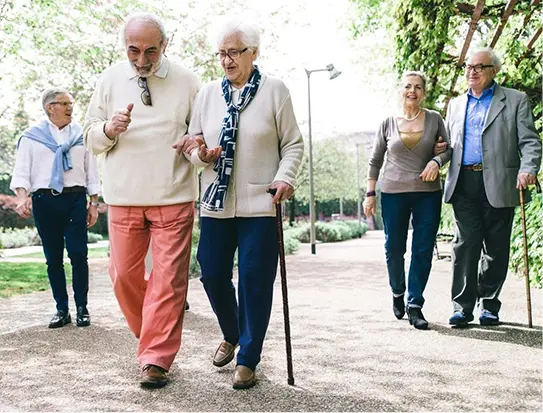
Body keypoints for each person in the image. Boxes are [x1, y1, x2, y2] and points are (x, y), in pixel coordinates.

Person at [175, 17, 303, 389]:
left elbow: (292, 144)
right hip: (217, 201)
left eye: (234, 52)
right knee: (212, 271)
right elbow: (195, 147)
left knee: (254, 280)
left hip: (260, 203)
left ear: (254, 53)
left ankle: (248, 357)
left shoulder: (275, 91)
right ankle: (232, 333)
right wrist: (201, 153)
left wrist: (285, 177)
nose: (227, 60)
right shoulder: (208, 95)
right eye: (221, 54)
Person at [83, 13, 200, 388]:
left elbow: (198, 136)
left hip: (173, 194)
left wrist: (197, 148)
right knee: (122, 276)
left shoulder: (187, 81)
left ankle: (155, 357)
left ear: (164, 46)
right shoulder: (109, 79)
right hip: (123, 195)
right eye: (134, 50)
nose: (141, 59)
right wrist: (108, 129)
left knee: (169, 281)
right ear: (125, 47)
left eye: (150, 50)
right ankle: (151, 334)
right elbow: (89, 136)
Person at [440, 47, 542, 328]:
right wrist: (437, 155)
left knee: (496, 248)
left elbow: (530, 141)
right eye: (468, 67)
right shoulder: (456, 105)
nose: (471, 72)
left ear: (493, 71)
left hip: (500, 181)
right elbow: (449, 145)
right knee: (466, 244)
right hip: (464, 182)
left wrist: (527, 169)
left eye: (479, 67)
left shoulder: (515, 100)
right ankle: (461, 307)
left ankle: (489, 305)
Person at [363, 71, 452, 330]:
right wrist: (370, 194)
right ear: (400, 90)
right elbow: (375, 160)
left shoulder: (435, 119)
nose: (412, 91)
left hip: (427, 193)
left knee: (423, 249)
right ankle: (397, 291)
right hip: (393, 193)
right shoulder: (388, 122)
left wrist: (436, 161)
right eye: (408, 87)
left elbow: (447, 149)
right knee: (394, 249)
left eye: (418, 87)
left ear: (424, 92)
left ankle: (415, 305)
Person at [10, 87, 100, 329]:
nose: (71, 107)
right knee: (53, 259)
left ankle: (82, 308)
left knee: (79, 254)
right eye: (65, 103)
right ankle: (62, 310)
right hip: (45, 201)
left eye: (71, 103)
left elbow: (91, 171)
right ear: (51, 107)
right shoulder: (31, 137)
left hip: (75, 199)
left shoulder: (82, 134)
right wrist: (21, 197)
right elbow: (22, 171)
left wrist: (94, 203)